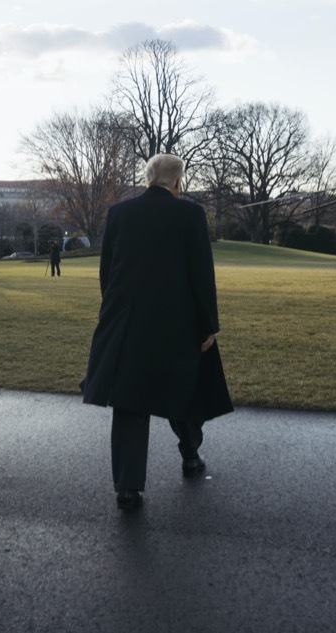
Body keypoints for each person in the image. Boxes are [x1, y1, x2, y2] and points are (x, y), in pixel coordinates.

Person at [81, 153, 233, 511]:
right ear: (178, 182)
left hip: (127, 320)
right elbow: (201, 274)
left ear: (149, 179)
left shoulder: (118, 213)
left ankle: (128, 487)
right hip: (177, 321)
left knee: (130, 400)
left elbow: (107, 273)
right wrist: (208, 325)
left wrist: (115, 312)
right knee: (184, 388)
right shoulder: (191, 214)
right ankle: (190, 456)